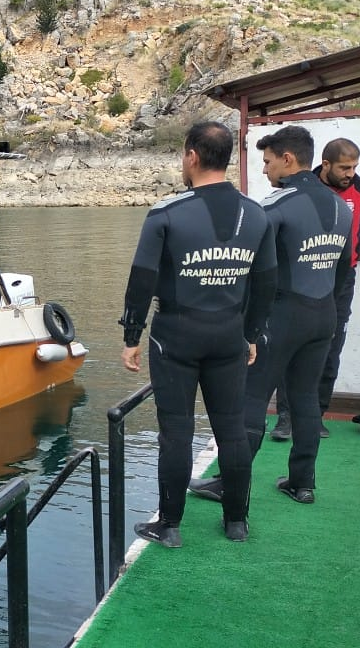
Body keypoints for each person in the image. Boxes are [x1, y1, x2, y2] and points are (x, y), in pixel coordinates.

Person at [118, 121, 277, 547]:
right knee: (232, 428)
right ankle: (236, 522)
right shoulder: (256, 214)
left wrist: (132, 336)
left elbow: (142, 280)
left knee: (176, 431)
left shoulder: (166, 213)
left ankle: (169, 526)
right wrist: (251, 334)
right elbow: (266, 283)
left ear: (191, 156)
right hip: (228, 335)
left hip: (175, 336)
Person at [191, 125, 352, 507]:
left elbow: (249, 268)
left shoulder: (275, 206)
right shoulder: (340, 207)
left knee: (251, 397)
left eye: (267, 162)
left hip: (282, 316)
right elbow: (344, 267)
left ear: (287, 159)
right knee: (305, 397)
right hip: (323, 314)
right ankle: (302, 483)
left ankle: (230, 484)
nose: (264, 170)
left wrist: (243, 319)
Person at [271, 138, 360, 441]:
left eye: (354, 167)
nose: (350, 173)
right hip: (303, 277)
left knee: (330, 349)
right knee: (289, 347)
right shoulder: (305, 187)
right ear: (325, 165)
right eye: (344, 168)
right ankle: (285, 418)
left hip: (342, 280)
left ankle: (316, 415)